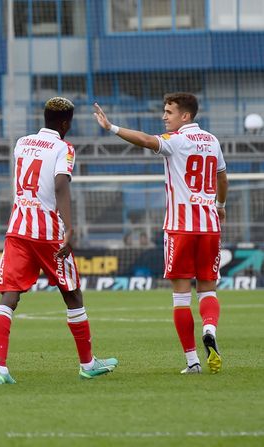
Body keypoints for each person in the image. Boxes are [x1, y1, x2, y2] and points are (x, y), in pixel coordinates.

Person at [93, 92, 228, 374]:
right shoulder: (213, 141)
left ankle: (192, 361)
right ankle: (210, 329)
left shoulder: (175, 141)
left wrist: (112, 128)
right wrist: (221, 205)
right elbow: (222, 176)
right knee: (207, 288)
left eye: (169, 112)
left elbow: (144, 139)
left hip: (180, 228)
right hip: (209, 226)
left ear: (185, 116)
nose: (164, 117)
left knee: (181, 295)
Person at [0, 97, 118, 385]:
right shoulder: (64, 147)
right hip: (48, 233)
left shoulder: (21, 143)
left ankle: (0, 368)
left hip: (17, 229)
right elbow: (60, 184)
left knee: (9, 296)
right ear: (66, 123)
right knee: (72, 293)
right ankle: (87, 364)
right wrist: (70, 228)